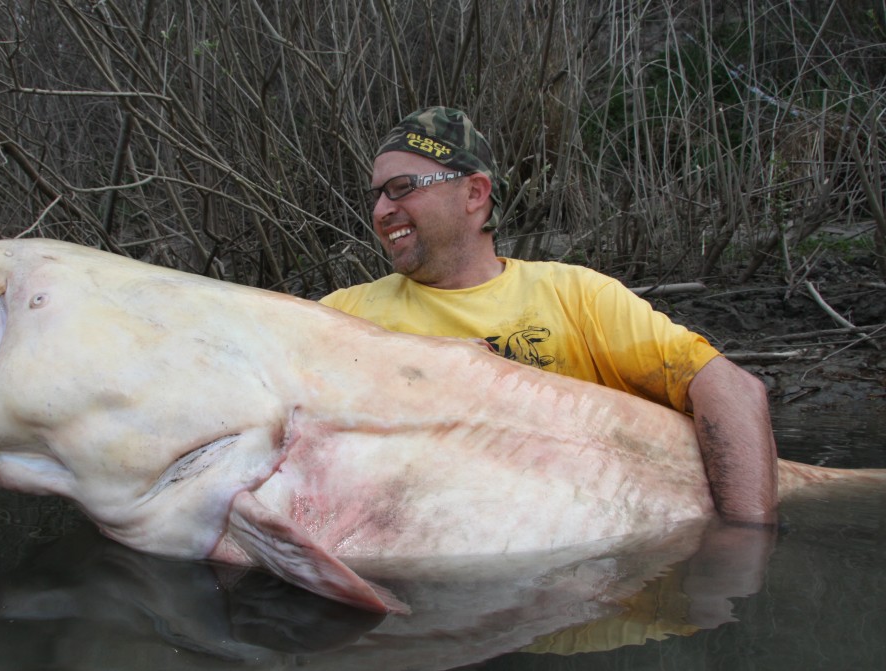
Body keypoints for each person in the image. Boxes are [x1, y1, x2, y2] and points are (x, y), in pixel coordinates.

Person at [320, 107, 778, 526]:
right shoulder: (343, 316)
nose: (381, 210)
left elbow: (731, 389)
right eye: (377, 195)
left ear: (474, 193)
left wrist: (742, 549)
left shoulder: (575, 295)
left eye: (401, 189)